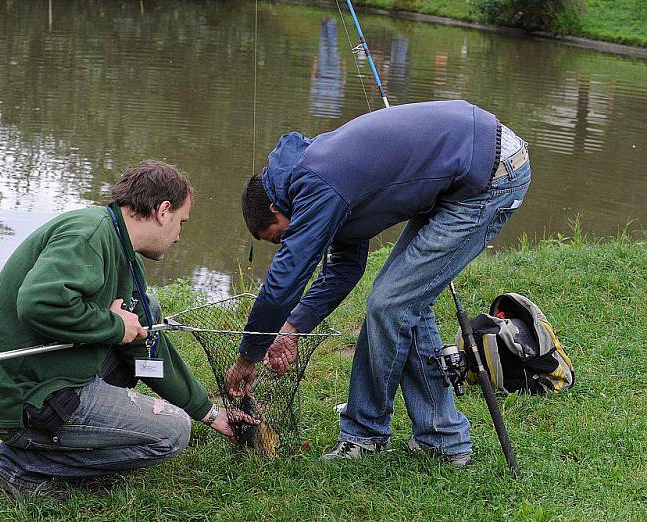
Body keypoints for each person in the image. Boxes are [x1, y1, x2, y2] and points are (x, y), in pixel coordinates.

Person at [225, 100, 531, 465]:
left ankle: (365, 433)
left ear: (275, 210)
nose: (285, 244)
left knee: (390, 303)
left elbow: (283, 281)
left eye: (278, 238)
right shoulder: (317, 185)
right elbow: (344, 271)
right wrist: (291, 328)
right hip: (467, 168)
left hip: (490, 176)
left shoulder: (315, 185)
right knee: (404, 301)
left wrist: (250, 354)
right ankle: (443, 439)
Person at [0, 160, 254, 498]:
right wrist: (111, 324)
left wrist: (209, 413)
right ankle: (18, 465)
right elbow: (39, 303)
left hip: (58, 374)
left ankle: (53, 444)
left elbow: (145, 351)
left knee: (144, 315)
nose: (180, 237)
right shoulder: (89, 234)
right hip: (29, 398)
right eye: (181, 222)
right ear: (163, 211)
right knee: (172, 433)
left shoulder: (123, 251)